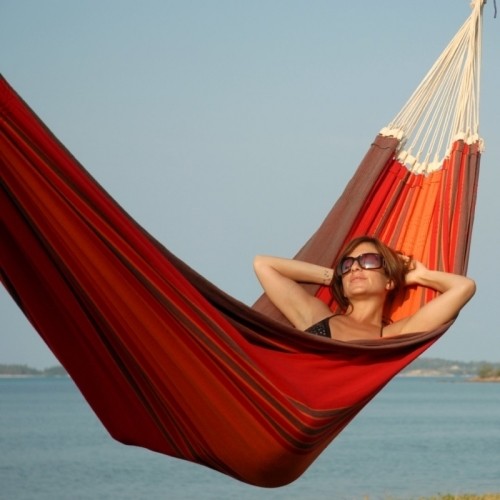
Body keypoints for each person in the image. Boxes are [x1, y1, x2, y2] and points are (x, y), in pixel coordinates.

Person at [253, 236, 476, 341]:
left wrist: (421, 275)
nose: (356, 267)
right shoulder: (316, 316)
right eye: (348, 264)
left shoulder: (390, 336)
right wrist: (336, 277)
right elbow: (263, 264)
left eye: (368, 260)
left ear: (389, 281)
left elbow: (464, 287)